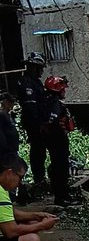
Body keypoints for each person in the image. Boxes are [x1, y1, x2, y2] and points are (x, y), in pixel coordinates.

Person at [16, 52, 49, 190]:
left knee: (40, 151)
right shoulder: (27, 83)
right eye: (40, 68)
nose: (42, 71)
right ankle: (38, 178)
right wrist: (39, 124)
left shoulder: (35, 82)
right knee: (37, 150)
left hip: (38, 121)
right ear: (34, 68)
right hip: (33, 123)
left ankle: (40, 176)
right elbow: (31, 107)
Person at [43, 75, 75, 207]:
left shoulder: (48, 102)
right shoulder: (55, 104)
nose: (64, 92)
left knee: (59, 169)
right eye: (63, 89)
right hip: (58, 141)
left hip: (54, 140)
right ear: (57, 90)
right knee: (60, 170)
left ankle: (62, 196)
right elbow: (53, 121)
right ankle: (62, 198)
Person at [0, 93, 19, 161]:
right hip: (7, 151)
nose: (12, 104)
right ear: (5, 102)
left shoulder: (9, 115)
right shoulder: (1, 115)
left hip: (13, 148)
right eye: (10, 102)